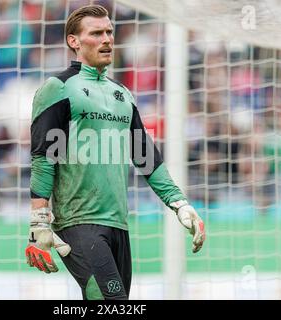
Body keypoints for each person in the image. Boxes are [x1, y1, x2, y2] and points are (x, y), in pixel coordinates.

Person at [25, 4, 205, 300]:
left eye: (109, 32)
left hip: (118, 224)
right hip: (79, 224)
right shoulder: (58, 87)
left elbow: (145, 155)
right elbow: (44, 156)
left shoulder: (122, 94)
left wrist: (180, 204)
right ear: (74, 41)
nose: (107, 39)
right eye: (97, 33)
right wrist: (38, 223)